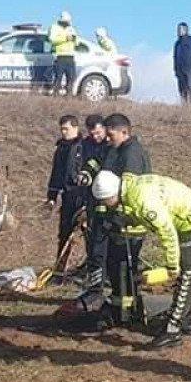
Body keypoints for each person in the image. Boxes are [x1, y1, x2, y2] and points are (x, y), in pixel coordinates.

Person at [92, 170, 191, 350]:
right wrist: (128, 221)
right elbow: (147, 219)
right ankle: (186, 323)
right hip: (185, 219)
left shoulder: (141, 199)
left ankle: (173, 331)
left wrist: (171, 266)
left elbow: (167, 233)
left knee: (186, 276)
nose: (106, 205)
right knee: (184, 276)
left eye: (105, 202)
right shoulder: (131, 189)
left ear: (112, 195)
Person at [78, 114, 151, 321]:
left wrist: (118, 218)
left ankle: (128, 313)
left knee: (124, 267)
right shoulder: (113, 148)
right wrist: (86, 173)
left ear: (124, 132)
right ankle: (119, 307)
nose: (107, 139)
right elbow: (96, 161)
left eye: (110, 135)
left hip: (128, 223)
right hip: (111, 220)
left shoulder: (132, 155)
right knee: (113, 265)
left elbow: (129, 193)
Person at [46, 115, 87, 270]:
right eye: (62, 129)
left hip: (82, 195)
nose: (63, 132)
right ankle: (60, 268)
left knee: (88, 233)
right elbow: (56, 173)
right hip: (67, 195)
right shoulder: (61, 147)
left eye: (66, 129)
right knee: (64, 233)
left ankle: (93, 267)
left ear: (75, 128)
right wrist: (52, 196)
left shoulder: (84, 146)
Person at [77, 114, 109, 282]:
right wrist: (85, 174)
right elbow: (91, 163)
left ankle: (106, 274)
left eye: (98, 133)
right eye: (92, 134)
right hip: (91, 198)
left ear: (104, 128)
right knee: (92, 237)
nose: (96, 137)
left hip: (110, 199)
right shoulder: (86, 145)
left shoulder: (112, 145)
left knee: (105, 239)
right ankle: (95, 272)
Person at [48, 11, 78, 96]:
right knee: (58, 78)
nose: (67, 23)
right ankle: (55, 96)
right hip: (60, 57)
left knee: (71, 78)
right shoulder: (54, 27)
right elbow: (52, 39)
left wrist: (75, 40)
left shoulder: (72, 28)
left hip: (71, 57)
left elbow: (76, 42)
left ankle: (69, 97)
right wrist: (65, 38)